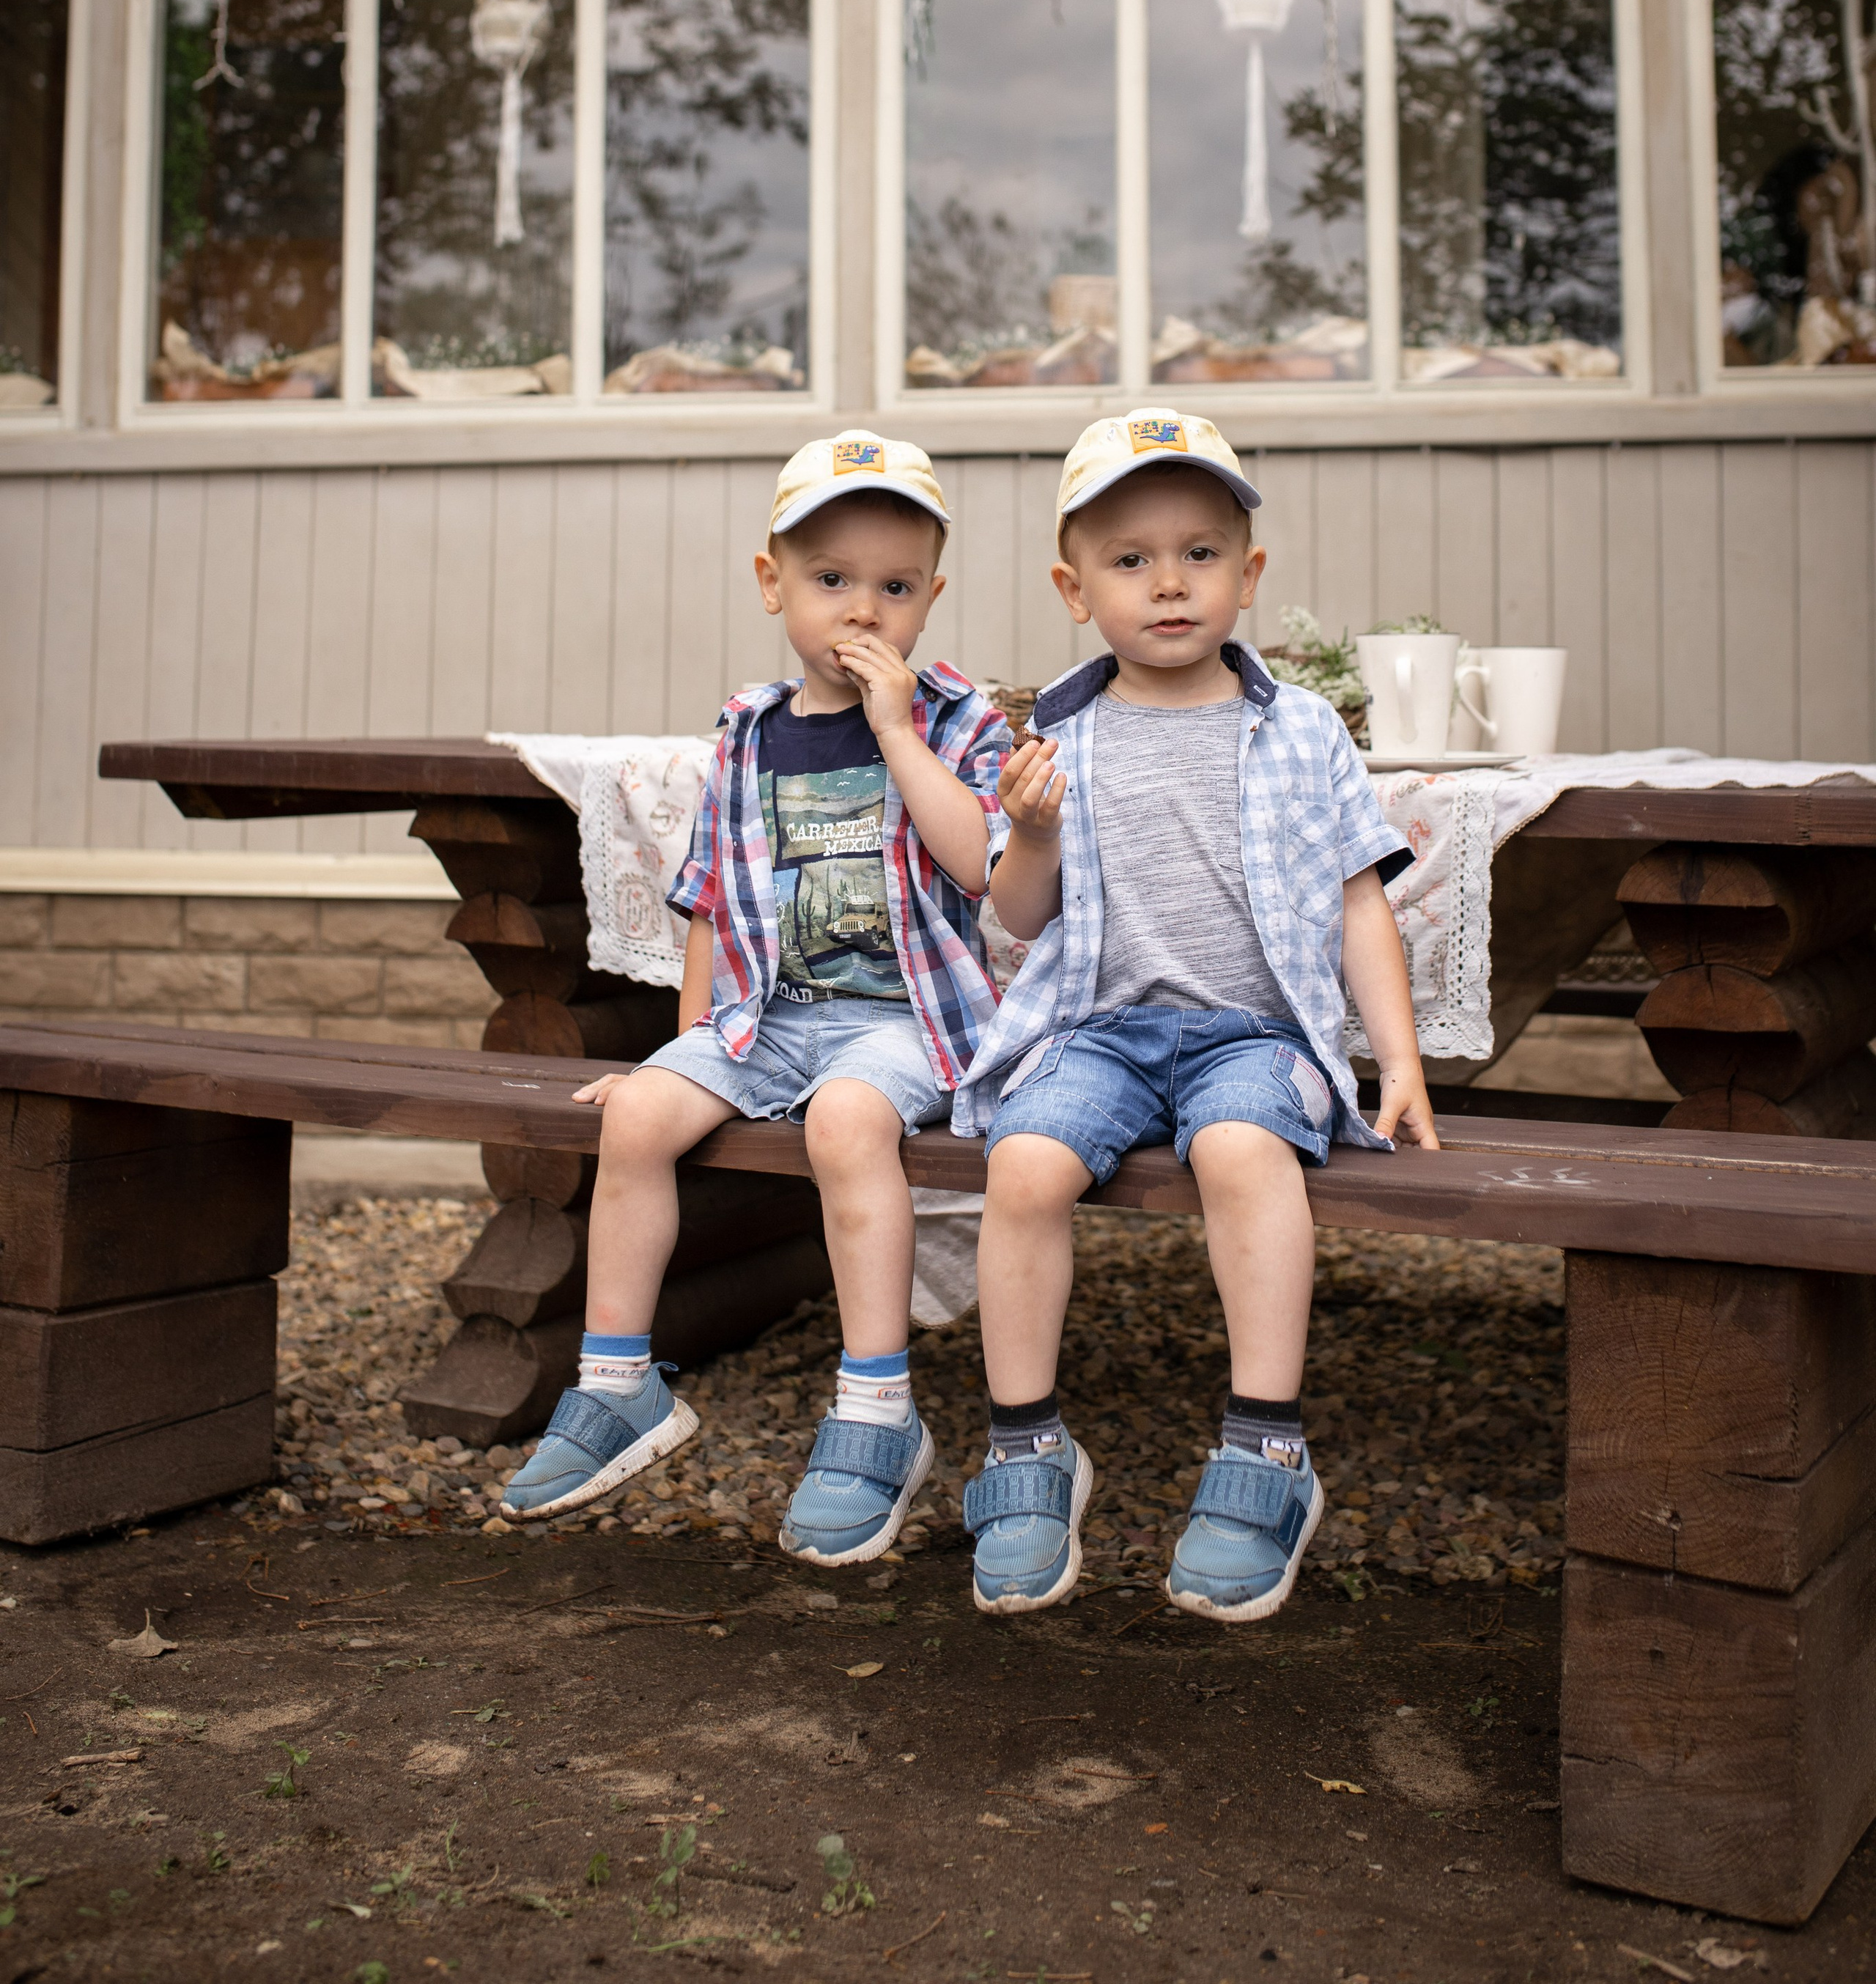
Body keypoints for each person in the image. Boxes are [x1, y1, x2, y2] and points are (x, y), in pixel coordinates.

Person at [953, 407, 1439, 1623]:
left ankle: (1265, 1450)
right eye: (1129, 560)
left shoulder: (1303, 729)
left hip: (1255, 1035)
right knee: (1023, 1166)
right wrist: (1034, 830)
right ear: (1075, 589)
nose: (1169, 584)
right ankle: (1026, 1448)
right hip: (1102, 1031)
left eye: (1200, 553)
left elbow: (1356, 905)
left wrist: (1400, 1059)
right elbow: (1016, 915)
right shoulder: (1057, 737)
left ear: (1249, 573)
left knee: (1238, 1149)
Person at [501, 433, 1009, 1564]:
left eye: (894, 586)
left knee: (844, 1121)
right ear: (772, 582)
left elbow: (982, 865)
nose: (862, 612)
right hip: (766, 1023)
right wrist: (687, 1056)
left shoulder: (957, 719)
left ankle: (878, 1406)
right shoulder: (747, 731)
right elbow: (712, 903)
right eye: (831, 580)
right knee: (637, 1112)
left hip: (903, 1027)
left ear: (931, 596)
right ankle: (620, 1384)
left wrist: (893, 730)